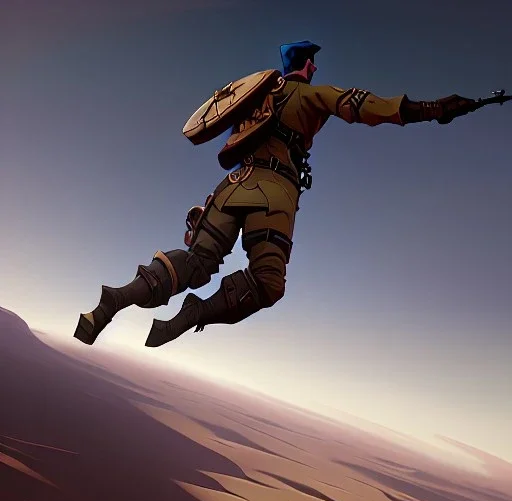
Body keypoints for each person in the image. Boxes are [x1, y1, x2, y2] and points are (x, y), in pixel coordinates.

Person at [74, 40, 479, 348]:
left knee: (196, 262)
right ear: (306, 65)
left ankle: (116, 299)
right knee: (268, 284)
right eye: (313, 62)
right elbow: (360, 105)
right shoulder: (307, 94)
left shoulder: (256, 98)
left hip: (228, 190)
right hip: (272, 194)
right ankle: (193, 313)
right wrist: (430, 109)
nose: (316, 67)